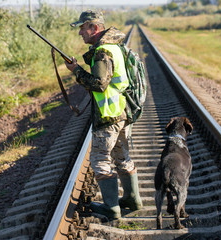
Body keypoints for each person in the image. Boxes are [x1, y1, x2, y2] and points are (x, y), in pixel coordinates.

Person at [65, 9, 142, 220]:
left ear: (94, 27)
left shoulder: (102, 52)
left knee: (100, 160)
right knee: (122, 157)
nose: (80, 32)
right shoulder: (114, 47)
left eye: (82, 27)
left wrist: (77, 71)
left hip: (108, 115)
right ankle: (132, 199)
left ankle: (111, 208)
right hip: (121, 111)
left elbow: (99, 84)